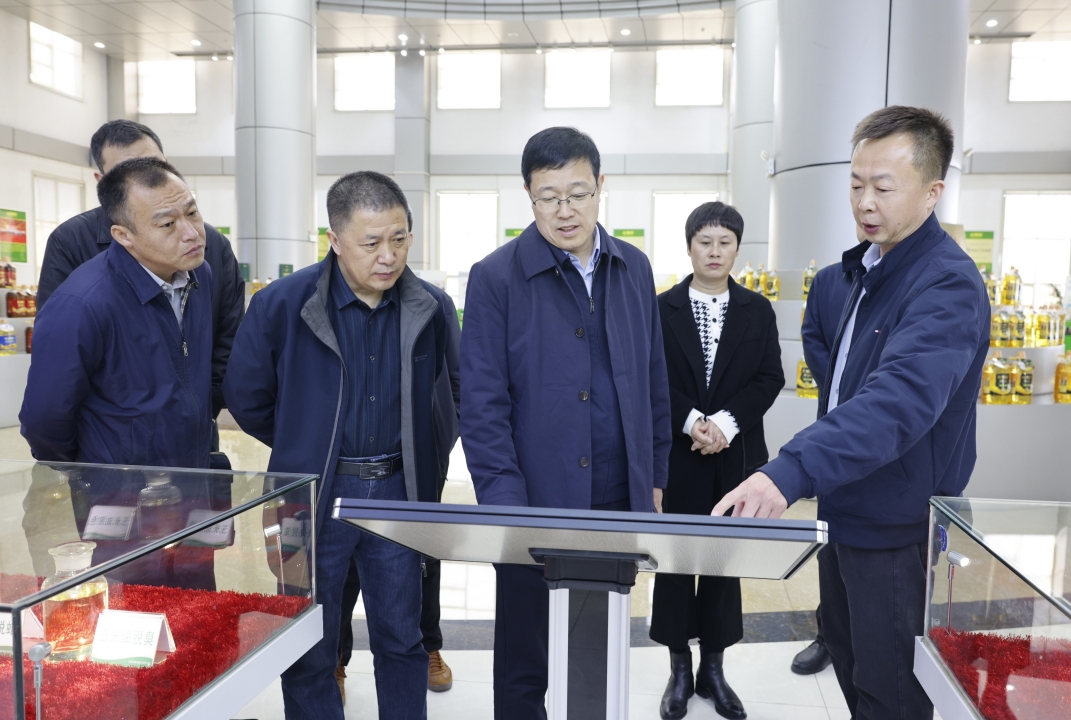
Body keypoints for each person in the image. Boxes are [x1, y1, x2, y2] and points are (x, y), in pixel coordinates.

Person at [712, 106, 990, 720]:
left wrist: (789, 471)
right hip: (846, 506)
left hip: (896, 525)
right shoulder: (868, 267)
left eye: (883, 188)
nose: (865, 202)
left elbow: (897, 402)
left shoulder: (946, 285)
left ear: (932, 192)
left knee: (891, 691)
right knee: (848, 658)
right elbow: (844, 373)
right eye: (856, 184)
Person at [460, 126, 672, 719]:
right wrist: (506, 507)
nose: (565, 211)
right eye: (548, 197)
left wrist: (654, 477)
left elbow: (654, 380)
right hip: (533, 500)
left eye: (578, 194)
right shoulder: (496, 277)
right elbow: (482, 404)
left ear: (601, 185)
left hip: (617, 498)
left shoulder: (633, 267)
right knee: (525, 663)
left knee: (596, 654)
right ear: (528, 196)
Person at [224, 170, 449, 720]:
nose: (388, 256)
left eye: (399, 239)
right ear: (335, 239)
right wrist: (305, 438)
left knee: (402, 639)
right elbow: (246, 395)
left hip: (397, 492)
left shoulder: (431, 306)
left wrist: (426, 452)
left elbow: (454, 394)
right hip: (309, 493)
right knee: (309, 646)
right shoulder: (282, 303)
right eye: (371, 243)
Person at [650, 202, 784, 720]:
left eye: (724, 242)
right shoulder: (661, 308)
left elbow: (769, 379)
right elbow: (651, 376)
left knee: (724, 566)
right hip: (678, 455)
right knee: (677, 564)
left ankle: (714, 669)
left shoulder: (757, 309)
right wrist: (691, 422)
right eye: (704, 241)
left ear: (737, 248)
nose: (714, 251)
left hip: (736, 457)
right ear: (689, 246)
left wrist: (725, 424)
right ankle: (679, 669)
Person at [38, 119, 244, 423]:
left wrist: (200, 409)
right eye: (126, 170)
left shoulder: (209, 244)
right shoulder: (71, 242)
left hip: (195, 430)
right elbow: (58, 359)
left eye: (153, 164)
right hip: (113, 436)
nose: (144, 177)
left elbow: (229, 337)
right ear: (102, 181)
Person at [21, 157, 213, 468]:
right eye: (167, 224)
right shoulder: (81, 304)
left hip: (193, 471)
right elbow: (44, 418)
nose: (191, 233)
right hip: (120, 486)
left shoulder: (198, 274)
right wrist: (88, 473)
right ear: (123, 235)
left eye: (192, 213)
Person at [335, 284, 462, 700]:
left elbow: (456, 378)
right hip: (347, 459)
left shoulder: (433, 301)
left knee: (422, 553)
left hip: (418, 459)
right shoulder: (326, 300)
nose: (386, 256)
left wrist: (439, 437)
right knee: (343, 564)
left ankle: (428, 646)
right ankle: (336, 657)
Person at [790, 261, 852, 676]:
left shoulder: (925, 276)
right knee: (830, 547)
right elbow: (813, 337)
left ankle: (865, 641)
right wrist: (843, 387)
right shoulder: (831, 279)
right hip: (836, 428)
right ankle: (828, 634)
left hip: (890, 435)